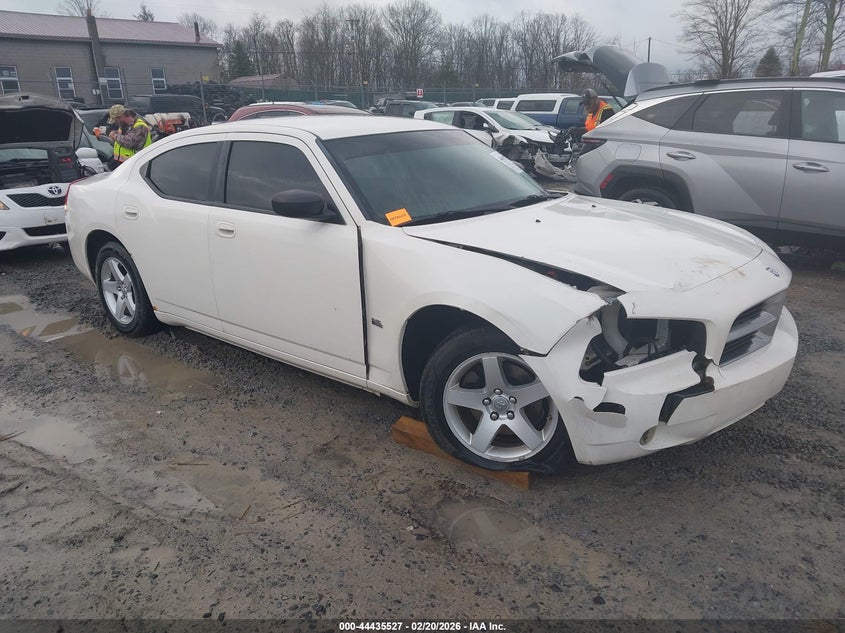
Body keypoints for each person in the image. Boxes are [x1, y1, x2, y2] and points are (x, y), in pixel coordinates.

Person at [560, 89, 615, 183]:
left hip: (601, 150)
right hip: (592, 147)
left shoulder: (606, 111)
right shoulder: (591, 112)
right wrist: (577, 130)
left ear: (596, 99)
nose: (586, 107)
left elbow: (605, 133)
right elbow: (589, 129)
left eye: (588, 103)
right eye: (585, 104)